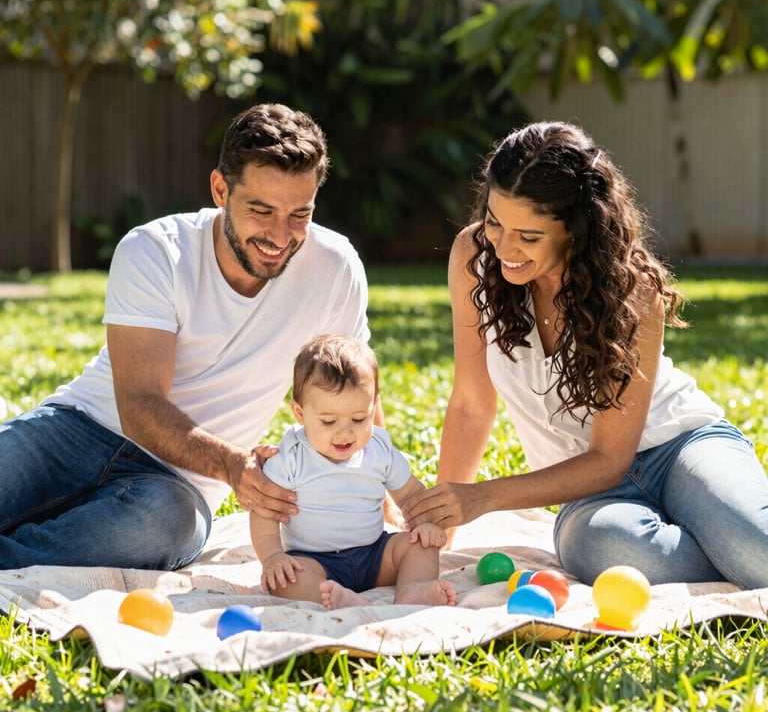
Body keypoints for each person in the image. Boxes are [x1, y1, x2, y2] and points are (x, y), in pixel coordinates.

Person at [0, 103, 374, 571]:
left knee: (167, 526)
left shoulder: (335, 270)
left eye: (300, 213)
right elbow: (138, 404)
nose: (281, 236)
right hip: (76, 431)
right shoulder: (155, 250)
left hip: (177, 485)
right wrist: (236, 466)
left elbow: (354, 392)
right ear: (220, 189)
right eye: (261, 210)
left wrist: (375, 487)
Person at [399, 121, 768, 589]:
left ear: (575, 229)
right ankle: (726, 549)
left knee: (758, 549)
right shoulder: (473, 258)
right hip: (590, 494)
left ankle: (736, 543)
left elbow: (610, 457)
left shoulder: (632, 290)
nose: (505, 248)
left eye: (529, 237)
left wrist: (484, 497)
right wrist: (447, 520)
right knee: (607, 548)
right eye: (495, 222)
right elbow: (472, 401)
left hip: (680, 445)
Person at [250, 335, 456, 610]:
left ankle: (412, 591)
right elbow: (264, 511)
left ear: (373, 406)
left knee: (421, 546)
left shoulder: (378, 448)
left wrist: (425, 523)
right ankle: (340, 599)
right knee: (285, 580)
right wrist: (273, 556)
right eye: (328, 421)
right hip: (314, 561)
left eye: (360, 419)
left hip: (375, 554)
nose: (345, 432)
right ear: (299, 413)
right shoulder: (290, 456)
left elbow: (410, 495)